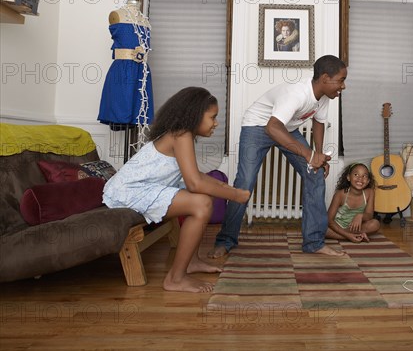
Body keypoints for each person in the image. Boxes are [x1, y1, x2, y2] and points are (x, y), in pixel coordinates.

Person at [102, 87, 251, 293]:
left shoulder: (182, 134)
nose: (216, 123)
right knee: (202, 203)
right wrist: (236, 195)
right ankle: (175, 278)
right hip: (129, 191)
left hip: (147, 187)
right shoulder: (181, 134)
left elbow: (197, 177)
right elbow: (195, 183)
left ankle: (192, 261)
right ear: (196, 115)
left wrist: (227, 188)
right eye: (212, 117)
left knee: (203, 196)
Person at [208, 55, 347, 258]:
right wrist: (309, 154)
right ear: (325, 78)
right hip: (258, 126)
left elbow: (319, 122)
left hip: (286, 128)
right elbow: (272, 127)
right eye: (341, 80)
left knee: (315, 174)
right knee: (244, 182)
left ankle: (314, 242)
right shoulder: (296, 93)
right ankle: (226, 240)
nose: (343, 86)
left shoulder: (324, 96)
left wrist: (318, 155)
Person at [98, 0, 154, 129]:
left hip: (142, 72)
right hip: (122, 71)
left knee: (139, 111)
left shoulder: (144, 20)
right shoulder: (116, 15)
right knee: (121, 109)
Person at [326, 163, 380, 242]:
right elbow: (329, 221)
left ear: (368, 181)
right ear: (348, 177)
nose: (360, 179)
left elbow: (369, 215)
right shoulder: (340, 194)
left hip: (356, 228)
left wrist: (360, 216)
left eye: (364, 176)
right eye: (356, 174)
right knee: (321, 227)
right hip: (337, 226)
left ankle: (349, 235)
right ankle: (353, 236)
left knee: (375, 224)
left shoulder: (370, 192)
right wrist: (348, 235)